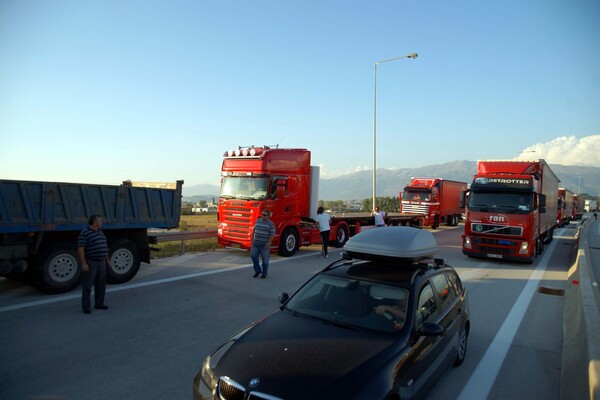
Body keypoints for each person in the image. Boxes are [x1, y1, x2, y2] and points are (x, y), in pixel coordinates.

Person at [78, 215, 110, 314]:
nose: (101, 223)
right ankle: (86, 307)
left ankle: (99, 303)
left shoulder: (100, 232)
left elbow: (104, 247)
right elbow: (81, 249)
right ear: (95, 222)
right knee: (88, 285)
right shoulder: (85, 232)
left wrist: (107, 260)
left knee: (101, 285)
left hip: (101, 262)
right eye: (100, 221)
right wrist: (84, 264)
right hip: (91, 262)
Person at [251, 210, 275, 279]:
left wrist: (268, 243)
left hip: (264, 245)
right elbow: (254, 230)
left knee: (265, 260)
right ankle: (257, 270)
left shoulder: (271, 224)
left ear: (268, 216)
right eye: (262, 214)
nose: (263, 216)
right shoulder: (258, 221)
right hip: (255, 244)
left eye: (265, 215)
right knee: (253, 257)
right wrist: (252, 238)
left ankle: (264, 273)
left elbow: (272, 234)